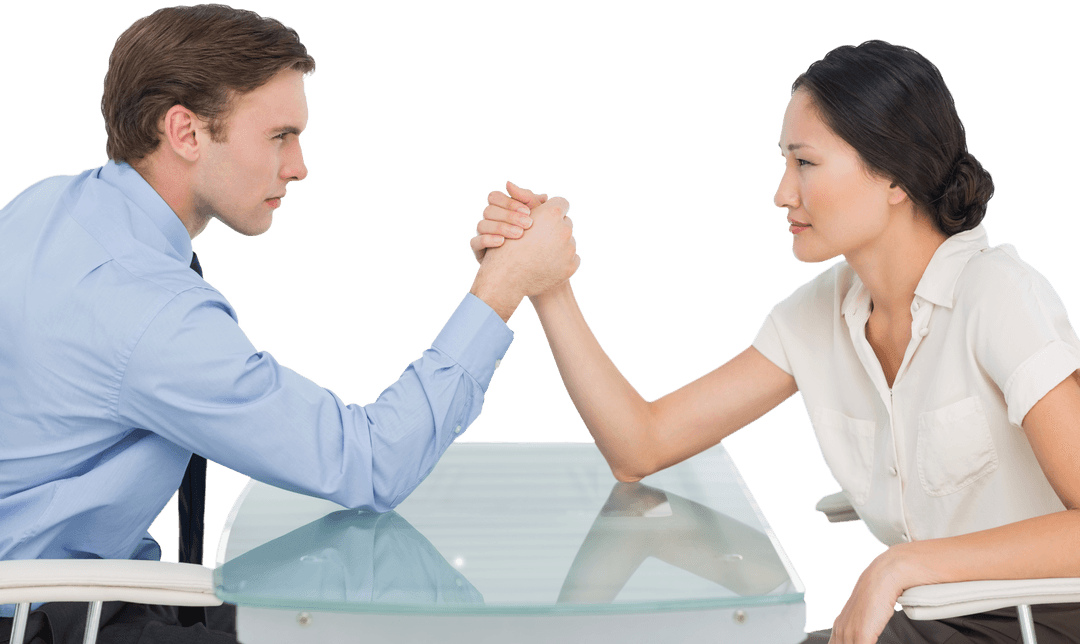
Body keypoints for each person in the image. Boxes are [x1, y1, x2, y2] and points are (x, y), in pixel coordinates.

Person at [0, 4, 578, 643]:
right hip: (43, 620)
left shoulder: (46, 204)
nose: (299, 165)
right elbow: (370, 464)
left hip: (96, 584)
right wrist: (501, 287)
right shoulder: (150, 311)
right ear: (186, 132)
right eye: (279, 136)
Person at [474, 40, 1080, 644]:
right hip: (927, 624)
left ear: (895, 174)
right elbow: (641, 445)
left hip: (1043, 625)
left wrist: (900, 565)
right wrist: (547, 287)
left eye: (805, 163)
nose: (782, 193)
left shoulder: (998, 295)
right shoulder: (817, 314)